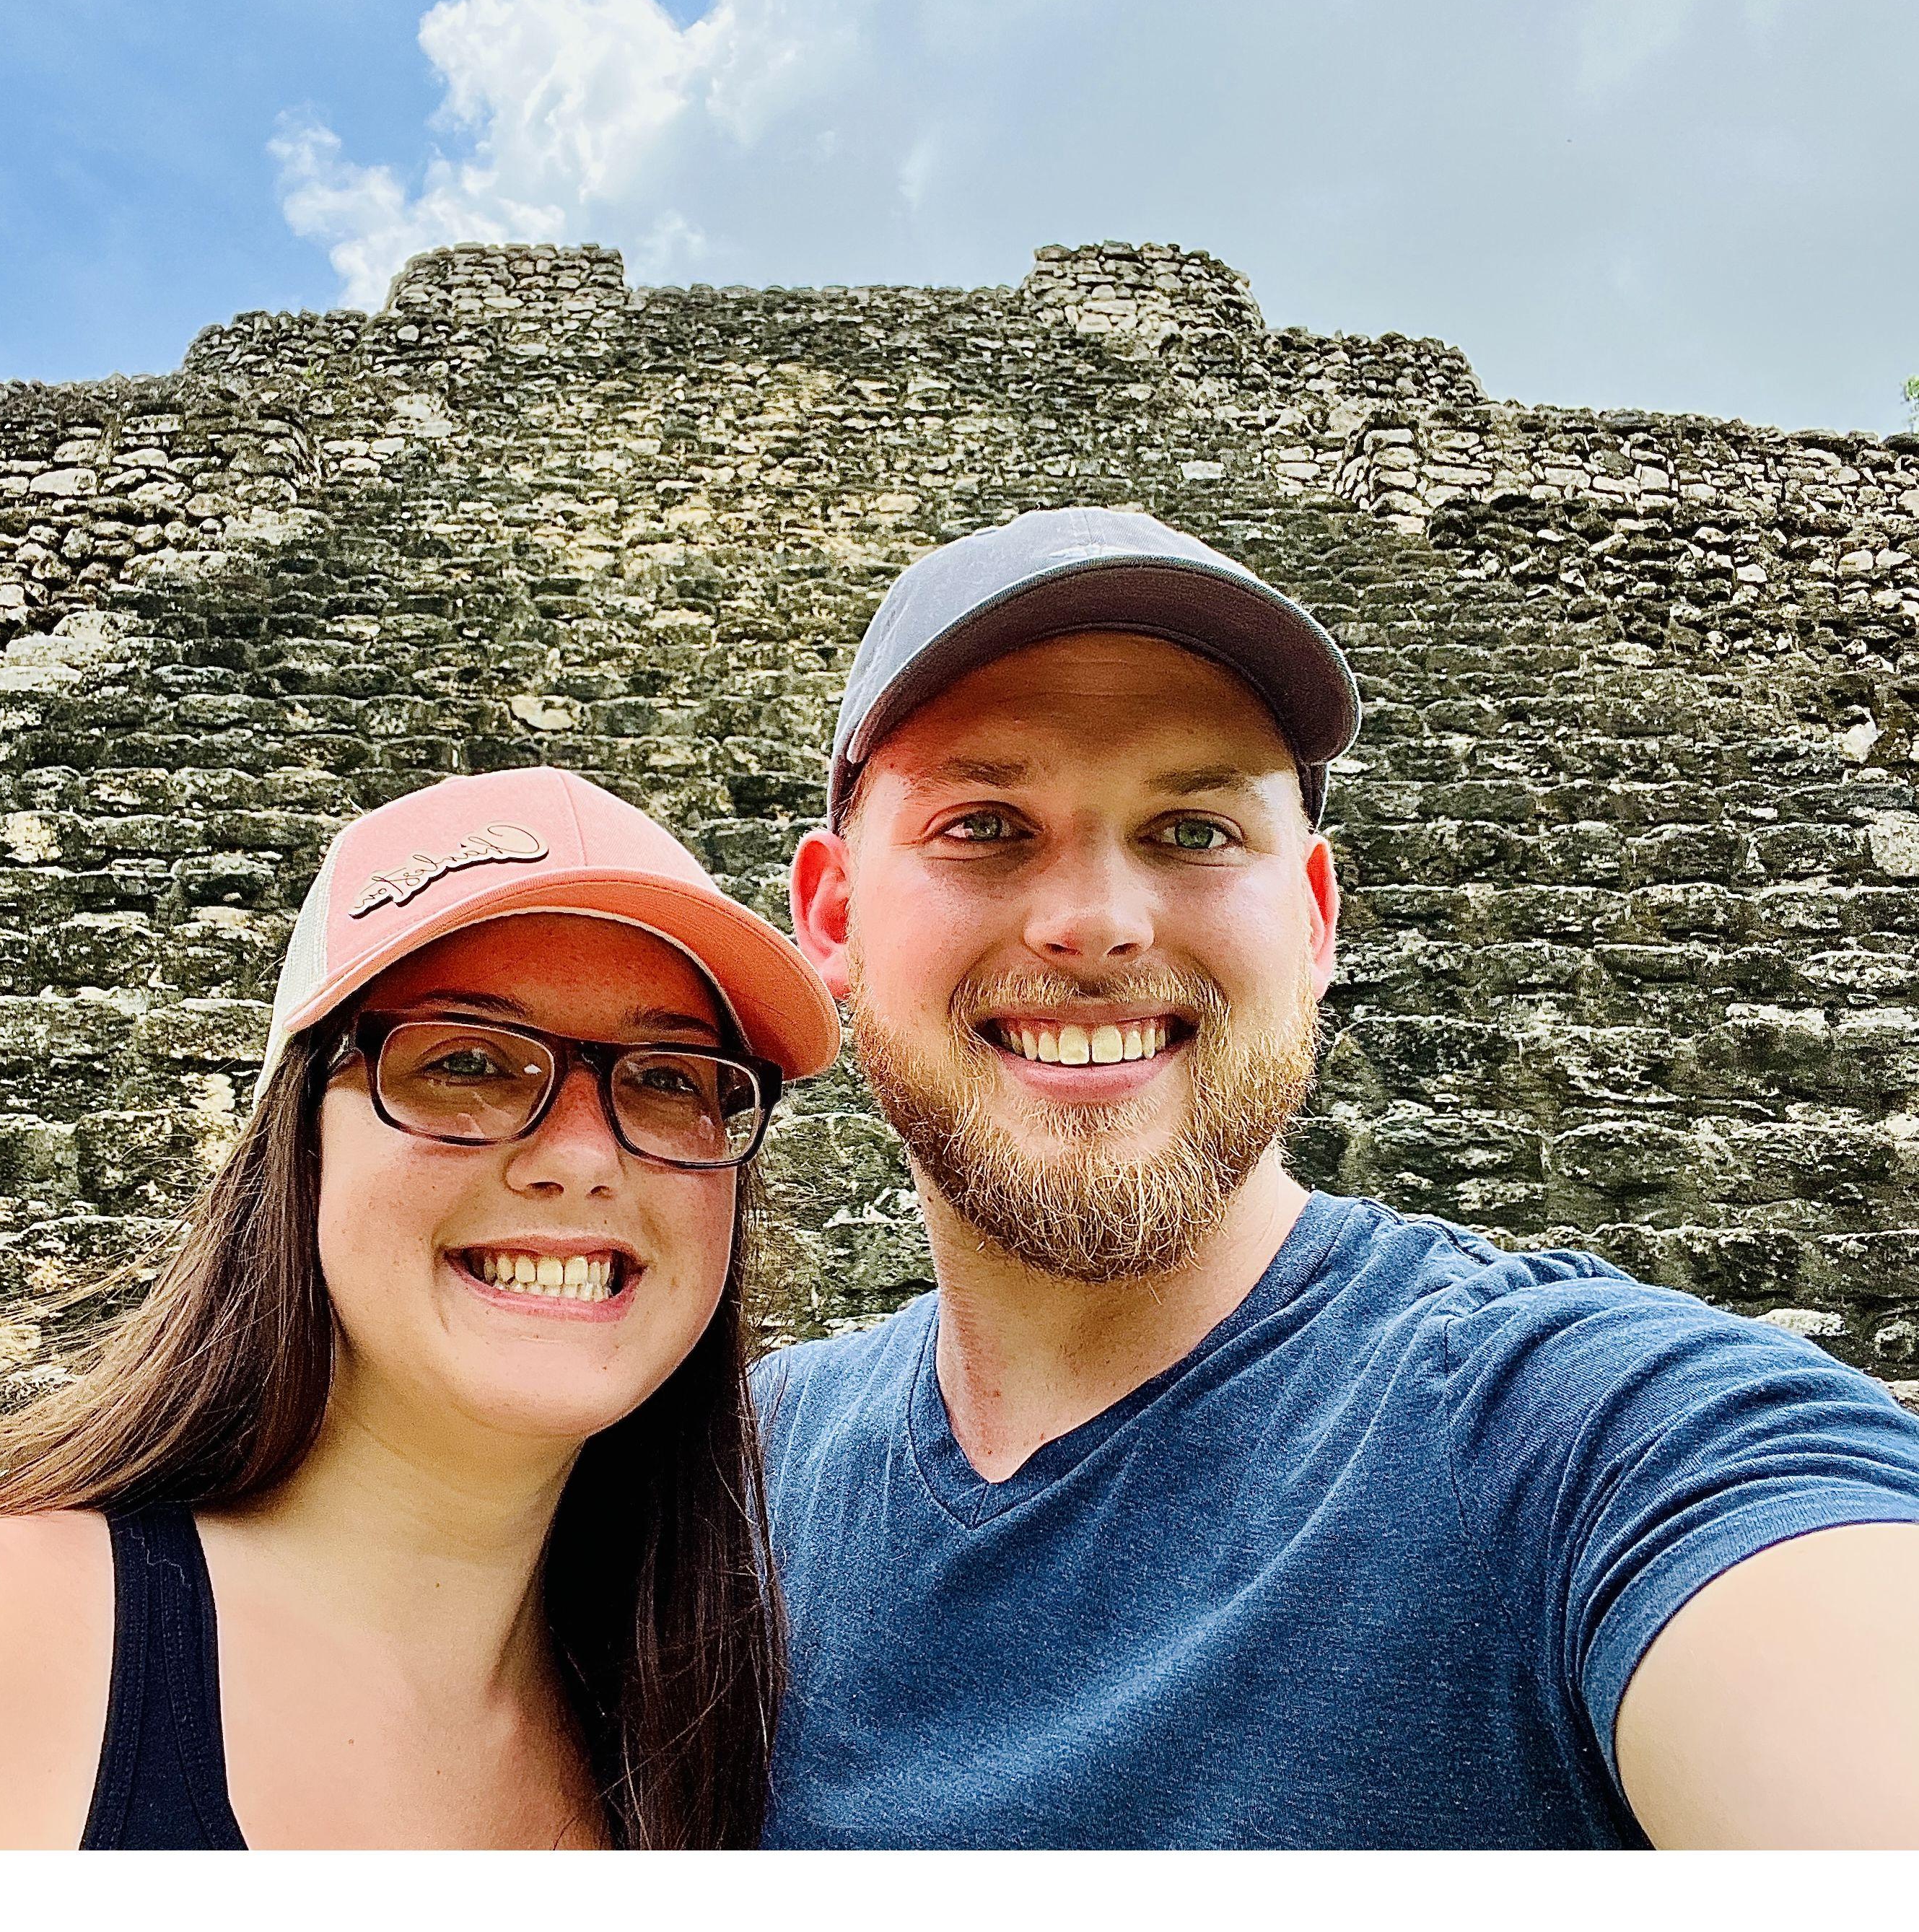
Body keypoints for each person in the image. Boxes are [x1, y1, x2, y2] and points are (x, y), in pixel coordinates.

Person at [764, 504, 1919, 1849]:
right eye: (984, 824)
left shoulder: (1587, 1439)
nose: (1094, 921)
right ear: (834, 917)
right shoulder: (731, 1482)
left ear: (1313, 916)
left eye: (1192, 829)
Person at [0, 766, 839, 1850]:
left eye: (671, 1077)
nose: (585, 1155)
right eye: (466, 1060)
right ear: (297, 1144)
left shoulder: (731, 1740)